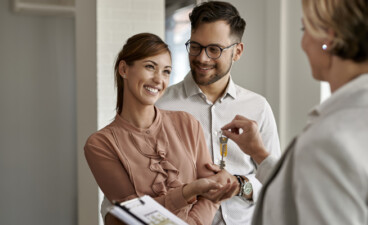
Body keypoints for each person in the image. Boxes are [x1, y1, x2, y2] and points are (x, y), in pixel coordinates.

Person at [221, 0, 368, 224]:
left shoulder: (329, 141)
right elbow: (302, 191)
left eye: (304, 29)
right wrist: (259, 153)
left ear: (327, 38)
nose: (303, 43)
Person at [84, 33, 238, 225]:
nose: (159, 79)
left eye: (166, 71)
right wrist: (189, 191)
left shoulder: (187, 123)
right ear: (124, 69)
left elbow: (211, 195)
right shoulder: (101, 144)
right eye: (150, 67)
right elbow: (134, 214)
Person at [156, 2, 281, 225]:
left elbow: (275, 182)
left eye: (214, 49)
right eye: (195, 46)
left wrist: (239, 185)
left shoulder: (258, 107)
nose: (202, 58)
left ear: (237, 52)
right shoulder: (161, 106)